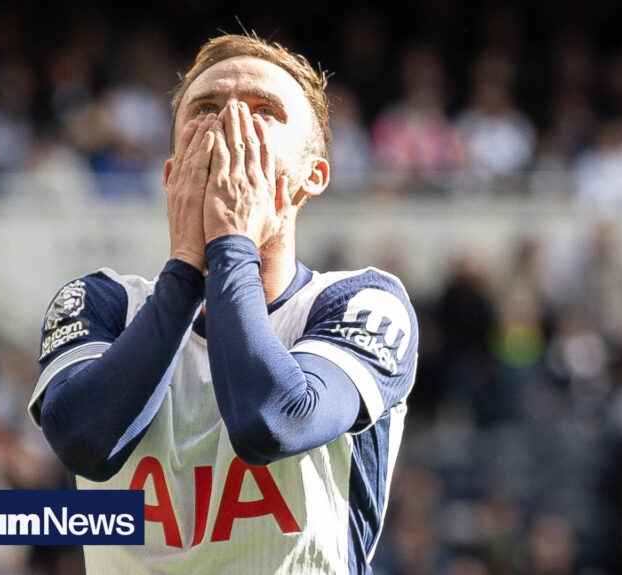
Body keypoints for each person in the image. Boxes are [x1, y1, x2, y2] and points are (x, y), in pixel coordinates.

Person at [27, 33, 419, 575]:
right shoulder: (102, 301)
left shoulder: (361, 302)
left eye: (264, 111)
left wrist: (230, 245)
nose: (230, 124)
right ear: (171, 173)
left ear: (314, 176)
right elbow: (84, 441)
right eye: (206, 108)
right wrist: (188, 266)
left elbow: (273, 423)